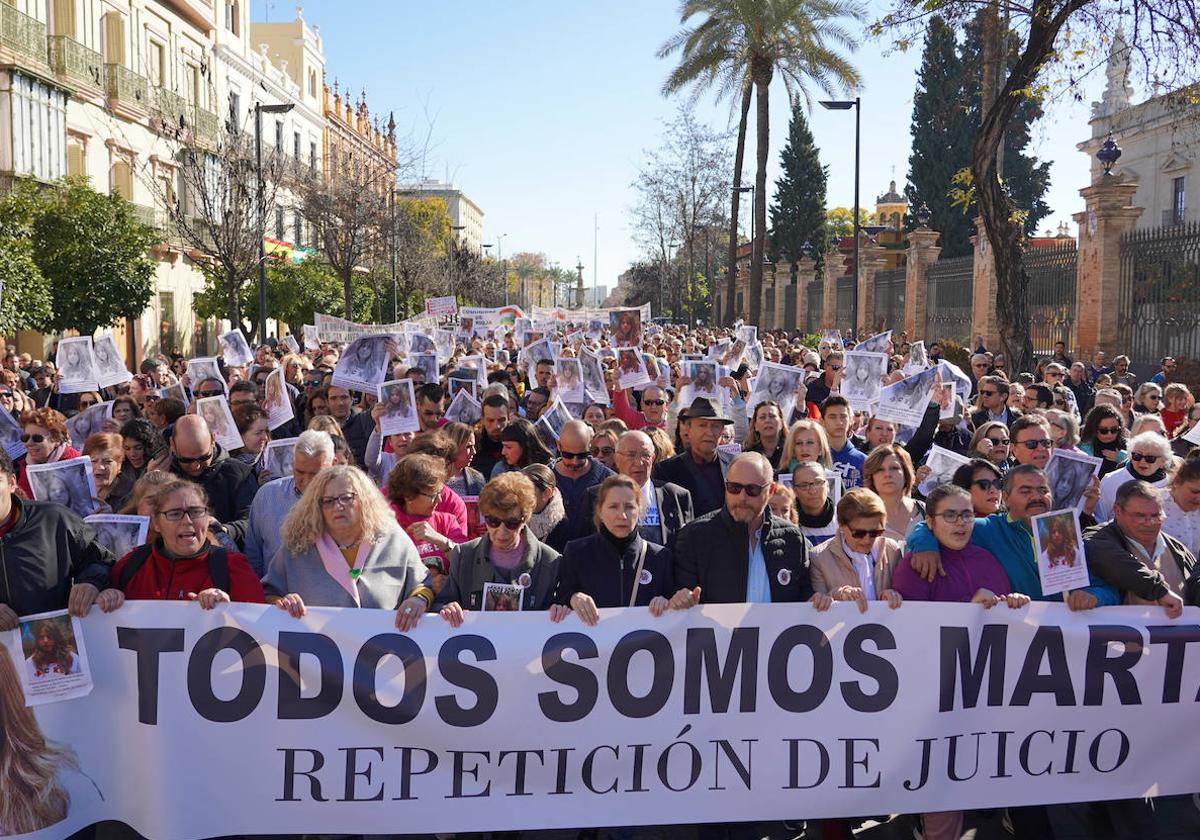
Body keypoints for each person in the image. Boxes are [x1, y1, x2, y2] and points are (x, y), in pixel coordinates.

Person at [905, 464, 1119, 610]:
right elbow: (928, 526)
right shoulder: (986, 529)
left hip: (1063, 643)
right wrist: (926, 546)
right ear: (1005, 498)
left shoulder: (1063, 533)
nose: (1036, 497)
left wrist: (1094, 597)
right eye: (1025, 491)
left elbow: (1110, 590)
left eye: (1042, 490)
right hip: (1012, 642)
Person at [265, 465, 432, 630]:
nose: (338, 506)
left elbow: (424, 584)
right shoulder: (297, 547)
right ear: (317, 507)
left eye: (346, 498)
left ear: (364, 500)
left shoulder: (393, 540)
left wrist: (418, 599)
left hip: (385, 654)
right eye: (328, 501)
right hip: (318, 653)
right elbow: (267, 594)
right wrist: (282, 602)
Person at [674, 451, 816, 605]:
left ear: (771, 491)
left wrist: (823, 599)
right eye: (734, 487)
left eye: (752, 490)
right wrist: (680, 599)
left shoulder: (793, 539)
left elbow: (805, 599)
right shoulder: (694, 537)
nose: (742, 497)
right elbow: (679, 598)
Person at [0, 449, 117, 631]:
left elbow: (100, 560)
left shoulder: (54, 519)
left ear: (12, 483)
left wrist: (90, 582)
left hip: (58, 645)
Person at [551, 474, 690, 624]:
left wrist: (667, 603)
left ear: (640, 511)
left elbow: (674, 608)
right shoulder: (576, 553)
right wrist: (573, 598)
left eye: (629, 507)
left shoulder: (660, 557)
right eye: (613, 507)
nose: (622, 515)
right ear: (600, 511)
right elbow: (559, 603)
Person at [111, 479, 264, 605]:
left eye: (196, 512)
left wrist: (227, 610)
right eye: (175, 513)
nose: (187, 521)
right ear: (156, 524)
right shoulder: (131, 565)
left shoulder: (233, 568)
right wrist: (106, 597)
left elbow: (259, 634)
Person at [436, 472, 561, 619]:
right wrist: (447, 608)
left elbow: (561, 608)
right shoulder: (463, 555)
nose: (502, 532)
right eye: (493, 521)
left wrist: (559, 609)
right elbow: (441, 603)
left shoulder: (550, 561)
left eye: (511, 523)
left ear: (524, 519)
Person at [1084, 480, 1193, 614]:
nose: (1149, 523)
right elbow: (1113, 562)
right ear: (1117, 511)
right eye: (1140, 516)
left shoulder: (1177, 549)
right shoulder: (1098, 539)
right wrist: (1160, 591)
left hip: (1182, 634)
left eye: (1155, 516)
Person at [580, 430, 694, 548]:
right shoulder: (594, 496)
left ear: (653, 458)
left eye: (645, 455)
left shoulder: (676, 496)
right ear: (617, 458)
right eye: (631, 455)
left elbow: (688, 548)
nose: (639, 462)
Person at [243, 430, 334, 578]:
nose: (307, 481)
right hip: (275, 597)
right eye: (300, 472)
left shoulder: (345, 503)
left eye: (315, 474)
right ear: (293, 463)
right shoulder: (267, 496)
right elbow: (254, 554)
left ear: (333, 464)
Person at [168, 415, 258, 545]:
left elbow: (252, 520)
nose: (196, 465)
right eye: (186, 460)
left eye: (204, 457)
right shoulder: (164, 474)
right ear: (172, 445)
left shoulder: (239, 474)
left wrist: (225, 530)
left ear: (213, 439)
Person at [809, 488, 904, 610]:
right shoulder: (819, 557)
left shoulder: (892, 551)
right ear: (841, 526)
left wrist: (892, 596)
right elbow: (815, 608)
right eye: (859, 533)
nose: (867, 540)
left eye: (875, 532)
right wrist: (836, 595)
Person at [386, 453, 467, 592]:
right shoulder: (388, 526)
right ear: (409, 496)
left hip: (444, 608)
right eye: (434, 495)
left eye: (440, 493)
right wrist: (426, 587)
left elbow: (468, 563)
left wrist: (441, 540)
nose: (440, 500)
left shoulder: (447, 521)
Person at [653, 397, 735, 516]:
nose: (709, 432)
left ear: (722, 430)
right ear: (688, 429)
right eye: (702, 425)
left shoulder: (735, 465)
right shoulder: (666, 471)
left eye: (715, 426)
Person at [553, 419, 615, 539]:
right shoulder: (546, 478)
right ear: (558, 445)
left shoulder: (608, 479)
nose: (574, 462)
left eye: (582, 455)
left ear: (590, 445)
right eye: (568, 455)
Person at [1096, 430, 1173, 521]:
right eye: (1137, 456)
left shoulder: (1172, 486)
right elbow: (1099, 519)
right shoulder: (1112, 480)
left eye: (1150, 458)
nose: (1142, 461)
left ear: (1163, 461)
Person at [862, 445, 924, 541]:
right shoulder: (861, 517)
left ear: (906, 473)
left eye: (894, 468)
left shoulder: (926, 511)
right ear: (871, 477)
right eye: (880, 470)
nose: (887, 474)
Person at [16, 408, 80, 497]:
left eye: (37, 438)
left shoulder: (76, 463)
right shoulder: (26, 464)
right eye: (25, 438)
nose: (29, 443)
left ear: (56, 439)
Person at [522, 463, 572, 551]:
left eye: (526, 490)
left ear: (547, 493)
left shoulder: (563, 527)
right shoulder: (513, 518)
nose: (519, 495)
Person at [820, 395, 865, 489]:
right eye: (832, 417)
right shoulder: (815, 458)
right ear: (822, 421)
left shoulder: (864, 461)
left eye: (843, 416)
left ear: (851, 421)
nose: (839, 422)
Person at [84, 432, 132, 512]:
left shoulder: (130, 493)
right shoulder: (77, 489)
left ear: (119, 465)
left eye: (107, 461)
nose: (100, 467)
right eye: (94, 461)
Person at [1079, 404, 1130, 476]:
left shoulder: (1129, 446)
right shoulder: (1082, 447)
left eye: (1114, 430)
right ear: (1094, 429)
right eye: (1104, 430)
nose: (1109, 434)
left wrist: (1123, 458)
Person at [471, 393, 510, 478]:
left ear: (509, 418)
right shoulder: (473, 445)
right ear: (482, 420)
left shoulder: (518, 443)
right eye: (490, 420)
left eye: (501, 420)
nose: (497, 426)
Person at [443, 421, 486, 497]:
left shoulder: (477, 479)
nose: (474, 452)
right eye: (468, 447)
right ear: (453, 446)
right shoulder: (432, 478)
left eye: (474, 446)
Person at [744, 400, 786, 470]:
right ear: (755, 425)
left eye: (772, 416)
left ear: (781, 423)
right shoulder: (748, 456)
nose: (767, 420)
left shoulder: (792, 452)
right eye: (762, 417)